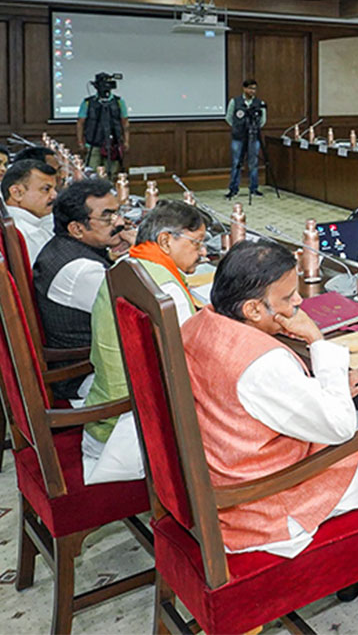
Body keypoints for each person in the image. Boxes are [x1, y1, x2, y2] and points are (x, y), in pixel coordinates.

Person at [179, 241, 358, 621]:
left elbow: (261, 398)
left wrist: (335, 385)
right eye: (288, 298)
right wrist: (317, 339)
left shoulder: (199, 323)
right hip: (260, 502)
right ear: (253, 309)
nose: (297, 306)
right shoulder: (262, 363)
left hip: (226, 461)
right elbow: (337, 427)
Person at [83, 200, 207, 484]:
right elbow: (194, 366)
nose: (202, 252)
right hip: (133, 433)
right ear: (165, 240)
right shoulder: (165, 290)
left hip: (109, 412)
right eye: (197, 243)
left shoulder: (127, 265)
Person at [32, 178, 131, 400]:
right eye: (107, 217)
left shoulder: (63, 247)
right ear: (76, 228)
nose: (120, 222)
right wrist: (145, 252)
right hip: (83, 376)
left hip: (84, 362)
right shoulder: (81, 271)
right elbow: (142, 309)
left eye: (118, 212)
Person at [3, 158, 58, 263]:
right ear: (17, 193)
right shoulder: (27, 234)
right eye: (46, 189)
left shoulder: (33, 219)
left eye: (54, 189)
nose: (54, 195)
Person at [77, 72, 128, 178]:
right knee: (92, 172)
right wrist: (81, 142)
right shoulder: (88, 102)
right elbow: (80, 123)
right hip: (93, 143)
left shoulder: (118, 102)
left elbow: (125, 123)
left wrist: (126, 141)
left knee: (111, 173)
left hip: (113, 143)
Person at [225, 78, 266, 199]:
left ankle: (254, 188)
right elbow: (228, 117)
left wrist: (254, 128)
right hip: (238, 137)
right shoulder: (235, 101)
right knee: (236, 162)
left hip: (253, 138)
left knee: (253, 163)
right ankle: (233, 189)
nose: (253, 91)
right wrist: (238, 127)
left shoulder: (259, 102)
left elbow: (263, 120)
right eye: (250, 88)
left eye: (254, 88)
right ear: (244, 89)